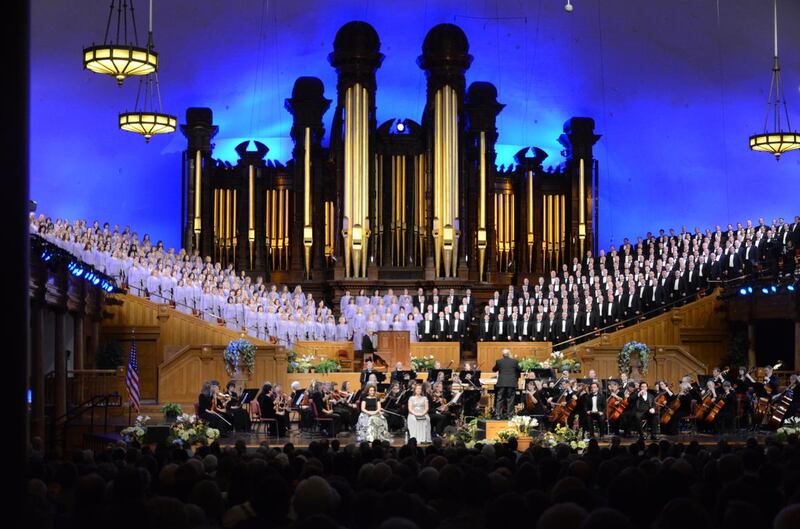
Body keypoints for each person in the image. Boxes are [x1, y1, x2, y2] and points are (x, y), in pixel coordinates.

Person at [492, 349, 521, 419]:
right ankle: (509, 416)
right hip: (511, 383)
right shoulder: (514, 361)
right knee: (510, 399)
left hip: (501, 383)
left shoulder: (499, 361)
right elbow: (520, 369)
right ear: (509, 354)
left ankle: (498, 415)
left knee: (499, 398)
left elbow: (494, 369)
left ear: (503, 355)